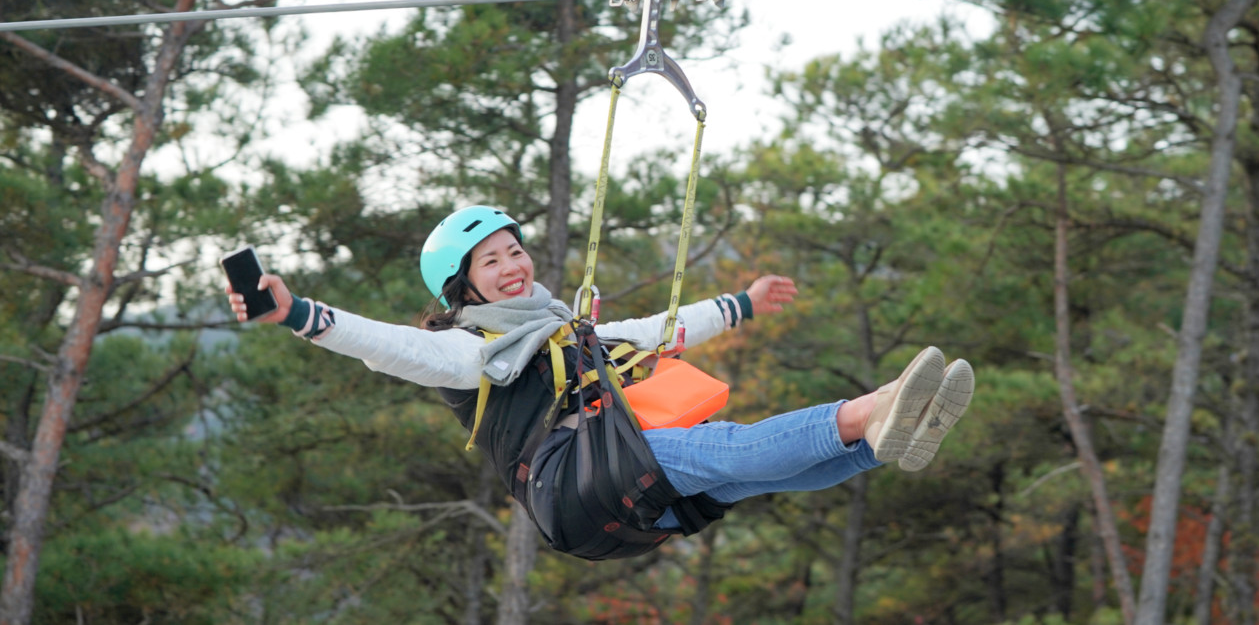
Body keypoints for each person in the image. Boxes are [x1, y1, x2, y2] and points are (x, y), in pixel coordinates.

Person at [226, 205, 975, 560]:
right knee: (728, 448)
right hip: (576, 479)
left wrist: (742, 303)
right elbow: (385, 347)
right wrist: (298, 314)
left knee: (745, 475)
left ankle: (883, 442)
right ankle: (873, 410)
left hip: (601, 506)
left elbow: (659, 330)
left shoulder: (565, 328)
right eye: (491, 262)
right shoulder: (465, 349)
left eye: (514, 250)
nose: (513, 265)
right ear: (466, 287)